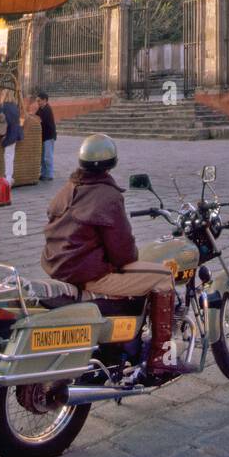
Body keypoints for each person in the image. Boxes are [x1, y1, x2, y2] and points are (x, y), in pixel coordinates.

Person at [41, 134, 176, 378]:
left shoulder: (68, 188)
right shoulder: (108, 196)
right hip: (90, 276)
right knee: (164, 276)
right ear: (112, 162)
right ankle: (160, 358)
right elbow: (124, 254)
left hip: (59, 269)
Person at [32, 90, 57, 181]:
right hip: (43, 137)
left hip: (49, 136)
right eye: (37, 101)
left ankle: (49, 174)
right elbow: (36, 117)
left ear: (45, 100)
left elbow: (41, 121)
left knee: (47, 156)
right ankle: (43, 173)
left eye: (39, 101)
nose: (37, 103)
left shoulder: (47, 109)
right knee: (42, 156)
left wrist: (36, 120)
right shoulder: (40, 109)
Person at [0, 98, 23, 185]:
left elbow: (0, 119)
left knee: (8, 156)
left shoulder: (3, 106)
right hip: (15, 132)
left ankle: (8, 178)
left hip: (9, 133)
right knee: (10, 155)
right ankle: (9, 177)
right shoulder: (15, 107)